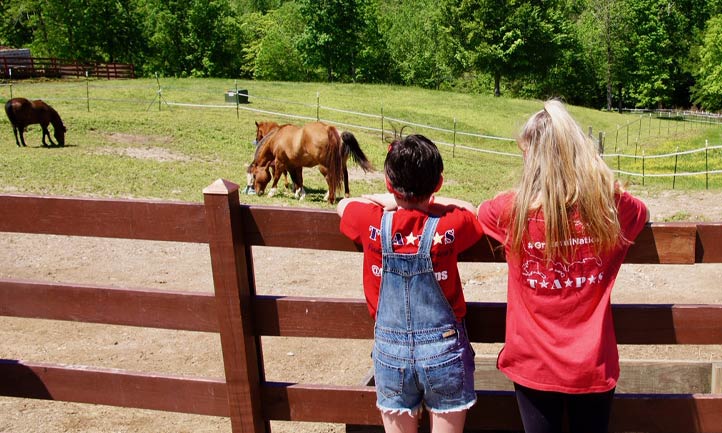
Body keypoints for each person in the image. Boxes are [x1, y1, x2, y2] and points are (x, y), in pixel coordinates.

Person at [477, 99, 650, 433]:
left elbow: (482, 211)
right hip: (592, 364)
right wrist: (600, 182)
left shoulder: (510, 211)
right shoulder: (609, 209)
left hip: (534, 363)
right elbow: (639, 210)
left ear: (531, 157)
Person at [337, 134, 483, 433]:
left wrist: (388, 200)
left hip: (391, 352)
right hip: (443, 351)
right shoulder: (449, 226)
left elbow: (344, 204)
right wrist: (433, 202)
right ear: (438, 184)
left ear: (390, 184)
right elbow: (472, 210)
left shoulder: (370, 221)